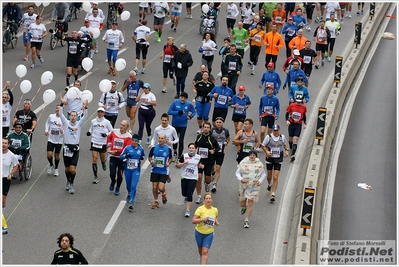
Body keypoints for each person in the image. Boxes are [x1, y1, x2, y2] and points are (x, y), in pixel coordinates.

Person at [59, 100, 89, 194]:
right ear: (69, 116)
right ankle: (68, 180)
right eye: (71, 115)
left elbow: (85, 117)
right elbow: (60, 114)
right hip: (66, 148)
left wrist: (86, 107)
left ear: (77, 117)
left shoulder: (79, 124)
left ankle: (72, 183)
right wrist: (61, 104)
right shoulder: (66, 123)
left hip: (75, 148)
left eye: (75, 116)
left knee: (73, 169)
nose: (73, 117)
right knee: (67, 169)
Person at [236, 150, 266, 227]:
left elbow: (263, 174)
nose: (252, 156)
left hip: (254, 186)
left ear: (256, 156)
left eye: (254, 155)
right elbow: (237, 173)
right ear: (249, 156)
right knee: (242, 203)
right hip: (244, 185)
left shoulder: (259, 164)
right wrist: (241, 179)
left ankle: (246, 220)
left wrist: (260, 181)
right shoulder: (243, 163)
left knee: (250, 202)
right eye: (251, 155)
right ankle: (244, 207)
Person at [262, 124, 289, 202]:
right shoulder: (269, 137)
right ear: (272, 131)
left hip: (278, 158)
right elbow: (263, 145)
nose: (276, 132)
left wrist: (286, 151)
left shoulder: (282, 137)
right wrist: (266, 151)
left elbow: (285, 145)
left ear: (279, 130)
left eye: (277, 130)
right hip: (270, 158)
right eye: (274, 131)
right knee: (269, 176)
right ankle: (269, 185)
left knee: (275, 177)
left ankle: (273, 194)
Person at [194, 122, 219, 204]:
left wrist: (214, 151)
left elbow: (218, 147)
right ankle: (199, 197)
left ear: (209, 129)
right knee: (199, 177)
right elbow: (195, 146)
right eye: (205, 127)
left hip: (209, 161)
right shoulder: (199, 137)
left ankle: (207, 184)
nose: (206, 129)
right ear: (203, 128)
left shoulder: (212, 139)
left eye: (208, 127)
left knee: (207, 180)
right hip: (200, 161)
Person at [87, 107, 113, 184]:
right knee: (94, 158)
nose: (100, 113)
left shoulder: (107, 122)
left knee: (103, 158)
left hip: (102, 143)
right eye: (99, 112)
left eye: (101, 112)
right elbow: (91, 129)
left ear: (104, 113)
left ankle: (103, 163)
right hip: (94, 141)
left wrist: (106, 134)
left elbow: (111, 131)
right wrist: (89, 132)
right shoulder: (93, 121)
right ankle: (95, 176)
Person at [192, 192, 219, 265]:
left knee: (205, 251)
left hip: (209, 233)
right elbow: (193, 221)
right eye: (206, 198)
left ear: (212, 200)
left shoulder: (215, 210)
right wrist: (202, 219)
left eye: (210, 198)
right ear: (204, 200)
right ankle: (201, 256)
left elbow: (216, 217)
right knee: (200, 250)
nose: (208, 200)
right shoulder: (200, 209)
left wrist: (216, 222)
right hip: (199, 233)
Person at [119, 133, 145, 210]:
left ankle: (131, 202)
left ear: (138, 142)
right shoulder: (127, 148)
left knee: (133, 186)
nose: (134, 142)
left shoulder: (141, 149)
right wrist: (125, 156)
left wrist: (141, 157)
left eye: (135, 141)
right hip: (127, 170)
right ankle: (129, 193)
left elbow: (143, 155)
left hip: (136, 170)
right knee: (128, 186)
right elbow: (121, 156)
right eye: (133, 140)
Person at [168, 92, 196, 161]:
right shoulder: (175, 102)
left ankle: (180, 156)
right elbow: (169, 112)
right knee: (175, 140)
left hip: (183, 125)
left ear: (186, 99)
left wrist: (190, 116)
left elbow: (194, 111)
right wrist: (178, 112)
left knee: (181, 140)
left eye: (184, 98)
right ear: (180, 97)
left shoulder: (189, 104)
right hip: (175, 124)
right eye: (182, 97)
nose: (183, 99)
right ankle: (175, 151)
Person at [107, 120, 132, 196]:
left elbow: (127, 149)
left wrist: (122, 154)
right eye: (121, 124)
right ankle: (112, 181)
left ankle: (117, 187)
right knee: (112, 173)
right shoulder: (114, 131)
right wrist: (109, 149)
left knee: (120, 175)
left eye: (123, 125)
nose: (121, 126)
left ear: (127, 127)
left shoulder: (129, 137)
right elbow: (109, 139)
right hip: (113, 157)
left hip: (122, 159)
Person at [177, 142, 201, 217]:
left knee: (190, 193)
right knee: (184, 193)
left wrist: (201, 166)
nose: (191, 149)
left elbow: (200, 164)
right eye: (190, 148)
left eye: (193, 148)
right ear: (188, 149)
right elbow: (178, 165)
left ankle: (187, 210)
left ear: (195, 149)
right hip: (184, 176)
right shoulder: (184, 156)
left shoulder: (198, 157)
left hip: (193, 178)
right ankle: (185, 196)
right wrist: (184, 163)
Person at [148, 134, 173, 209]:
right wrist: (151, 161)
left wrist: (168, 162)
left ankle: (163, 193)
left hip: (163, 171)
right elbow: (149, 157)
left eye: (162, 138)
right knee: (155, 187)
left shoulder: (168, 149)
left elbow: (171, 158)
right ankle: (156, 201)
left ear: (165, 140)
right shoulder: (154, 148)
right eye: (159, 138)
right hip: (155, 170)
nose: (160, 139)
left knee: (161, 187)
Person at [210, 117, 230, 192]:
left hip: (221, 152)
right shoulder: (212, 130)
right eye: (217, 122)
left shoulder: (225, 131)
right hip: (213, 151)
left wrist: (226, 142)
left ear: (223, 123)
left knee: (218, 168)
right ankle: (212, 172)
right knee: (212, 166)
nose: (218, 124)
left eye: (220, 122)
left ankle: (215, 184)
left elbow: (228, 137)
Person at [286, 94, 307, 162]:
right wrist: (287, 120)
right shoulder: (291, 105)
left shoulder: (303, 107)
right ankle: (291, 148)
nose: (298, 103)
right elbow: (287, 114)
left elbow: (304, 115)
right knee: (291, 139)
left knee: (296, 139)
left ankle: (293, 155)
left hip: (298, 125)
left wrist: (305, 123)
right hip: (291, 124)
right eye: (297, 102)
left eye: (299, 102)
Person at [45, 105, 63, 177]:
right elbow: (47, 123)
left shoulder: (63, 119)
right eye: (56, 108)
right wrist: (46, 130)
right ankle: (51, 165)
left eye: (59, 109)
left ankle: (56, 168)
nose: (57, 110)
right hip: (51, 138)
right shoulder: (51, 116)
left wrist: (63, 131)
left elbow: (67, 128)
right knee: (49, 155)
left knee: (57, 155)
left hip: (59, 140)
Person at [2, 138, 19, 212]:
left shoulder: (12, 156)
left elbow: (16, 166)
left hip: (5, 179)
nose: (3, 145)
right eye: (2, 143)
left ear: (8, 145)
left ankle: (1, 216)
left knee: (3, 199)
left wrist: (11, 174)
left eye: (5, 143)